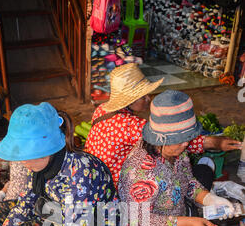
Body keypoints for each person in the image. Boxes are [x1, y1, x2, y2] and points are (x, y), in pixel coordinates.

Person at [85, 63, 241, 190]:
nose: (148, 99)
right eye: (143, 96)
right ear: (128, 101)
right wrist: (215, 143)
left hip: (95, 176)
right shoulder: (130, 125)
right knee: (202, 173)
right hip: (116, 186)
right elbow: (173, 140)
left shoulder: (102, 109)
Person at [118, 90, 236, 226]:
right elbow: (137, 220)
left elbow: (186, 181)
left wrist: (208, 198)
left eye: (188, 138)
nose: (186, 144)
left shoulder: (177, 151)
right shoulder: (140, 171)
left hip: (176, 221)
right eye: (181, 140)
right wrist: (187, 224)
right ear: (162, 139)